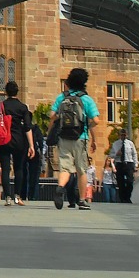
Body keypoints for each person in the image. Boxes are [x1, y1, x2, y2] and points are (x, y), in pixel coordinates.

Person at [44, 68, 98, 210]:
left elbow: (52, 115)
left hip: (64, 137)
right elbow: (96, 120)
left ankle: (60, 188)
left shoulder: (62, 97)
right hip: (81, 137)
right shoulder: (86, 99)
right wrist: (87, 127)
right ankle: (81, 200)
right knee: (81, 170)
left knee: (65, 168)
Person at [0, 80, 36, 204]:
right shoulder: (23, 107)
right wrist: (31, 145)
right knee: (19, 168)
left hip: (3, 140)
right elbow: (27, 127)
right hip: (19, 140)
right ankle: (17, 196)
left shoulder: (1, 106)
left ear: (5, 92)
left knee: (5, 168)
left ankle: (7, 197)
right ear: (17, 92)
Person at [110, 128, 139, 203]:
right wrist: (117, 154)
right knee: (120, 182)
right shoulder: (115, 144)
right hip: (119, 163)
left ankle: (127, 196)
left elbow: (134, 154)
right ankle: (122, 198)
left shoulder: (130, 143)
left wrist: (135, 164)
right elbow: (111, 155)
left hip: (129, 163)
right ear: (119, 135)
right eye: (122, 135)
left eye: (124, 135)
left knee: (130, 181)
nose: (123, 136)